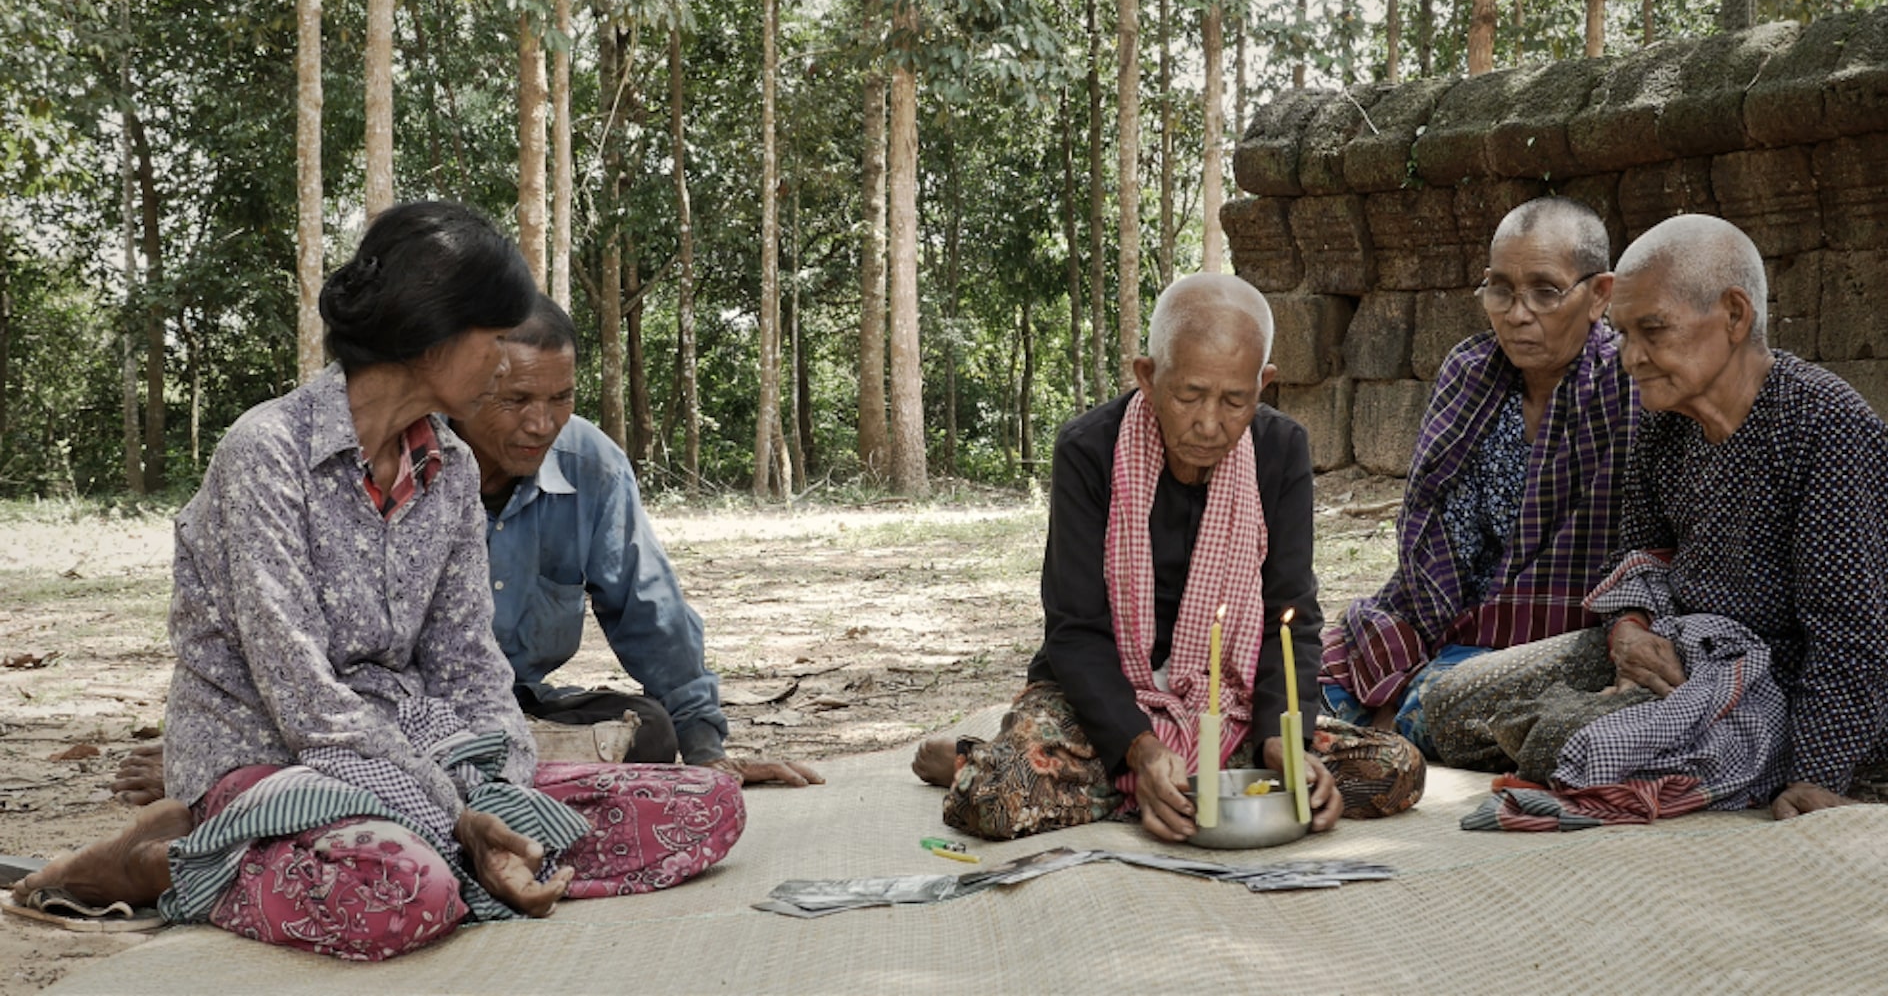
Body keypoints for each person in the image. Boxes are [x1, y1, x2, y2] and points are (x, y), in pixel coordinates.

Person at [16, 202, 743, 961]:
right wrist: (459, 814)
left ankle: (436, 848)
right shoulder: (266, 452)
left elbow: (472, 666)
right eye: (495, 341)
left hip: (410, 746)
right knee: (406, 892)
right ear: (435, 334)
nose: (503, 365)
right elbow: (305, 704)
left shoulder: (451, 468)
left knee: (703, 808)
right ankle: (160, 862)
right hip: (269, 752)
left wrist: (504, 796)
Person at [1424, 213, 1888, 820]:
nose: (1631, 358)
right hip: (1686, 654)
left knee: (1562, 740)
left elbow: (1850, 638)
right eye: (1624, 333)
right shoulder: (1663, 426)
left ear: (1735, 316)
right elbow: (1637, 554)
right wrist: (1629, 628)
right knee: (1448, 705)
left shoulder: (1825, 427)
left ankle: (1604, 751)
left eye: (1652, 331)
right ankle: (1604, 745)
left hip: (1788, 689)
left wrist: (1816, 775)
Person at [913, 273, 1424, 842]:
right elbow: (1075, 630)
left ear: (1265, 385)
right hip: (1102, 704)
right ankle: (975, 762)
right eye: (1188, 396)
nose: (1210, 424)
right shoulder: (1088, 450)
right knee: (997, 798)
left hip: (1230, 704)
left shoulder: (1281, 450)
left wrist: (1283, 743)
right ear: (1148, 377)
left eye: (1235, 400)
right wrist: (1142, 750)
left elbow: (1293, 616)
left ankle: (1118, 783)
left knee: (1395, 771)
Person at [452, 295, 821, 787]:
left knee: (649, 733)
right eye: (516, 400)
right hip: (416, 712)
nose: (541, 424)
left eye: (561, 398)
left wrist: (705, 749)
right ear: (465, 389)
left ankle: (502, 769)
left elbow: (650, 611)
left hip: (518, 707)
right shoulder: (412, 462)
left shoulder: (592, 465)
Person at [1318, 196, 1636, 758]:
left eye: (1545, 291)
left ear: (1600, 295)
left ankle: (1404, 720)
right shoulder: (1471, 372)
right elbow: (1430, 523)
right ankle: (1403, 712)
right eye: (1501, 290)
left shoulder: (1625, 386)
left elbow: (1630, 552)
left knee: (1440, 704)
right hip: (1451, 613)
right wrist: (1425, 635)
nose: (1517, 314)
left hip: (1559, 626)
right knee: (1303, 674)